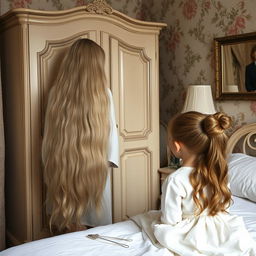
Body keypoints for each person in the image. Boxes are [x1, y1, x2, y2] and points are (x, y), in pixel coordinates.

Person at [42, 38, 119, 233]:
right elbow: (112, 134)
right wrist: (111, 160)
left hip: (63, 164)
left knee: (68, 219)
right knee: (93, 225)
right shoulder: (104, 94)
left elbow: (49, 134)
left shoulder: (55, 94)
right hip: (95, 167)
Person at [153, 111, 256, 255]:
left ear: (177, 146)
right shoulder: (221, 172)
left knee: (154, 225)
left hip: (191, 233)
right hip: (221, 228)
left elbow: (170, 220)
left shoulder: (175, 179)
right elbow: (225, 206)